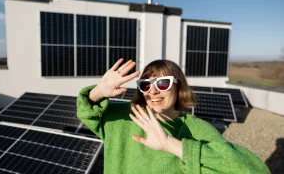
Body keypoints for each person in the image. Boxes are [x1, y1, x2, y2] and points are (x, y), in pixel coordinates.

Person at [77, 58, 270, 174]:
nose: (152, 91)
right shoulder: (123, 118)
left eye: (162, 83)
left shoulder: (196, 130)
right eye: (146, 85)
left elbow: (253, 170)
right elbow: (87, 111)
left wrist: (170, 144)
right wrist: (98, 92)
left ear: (179, 86)